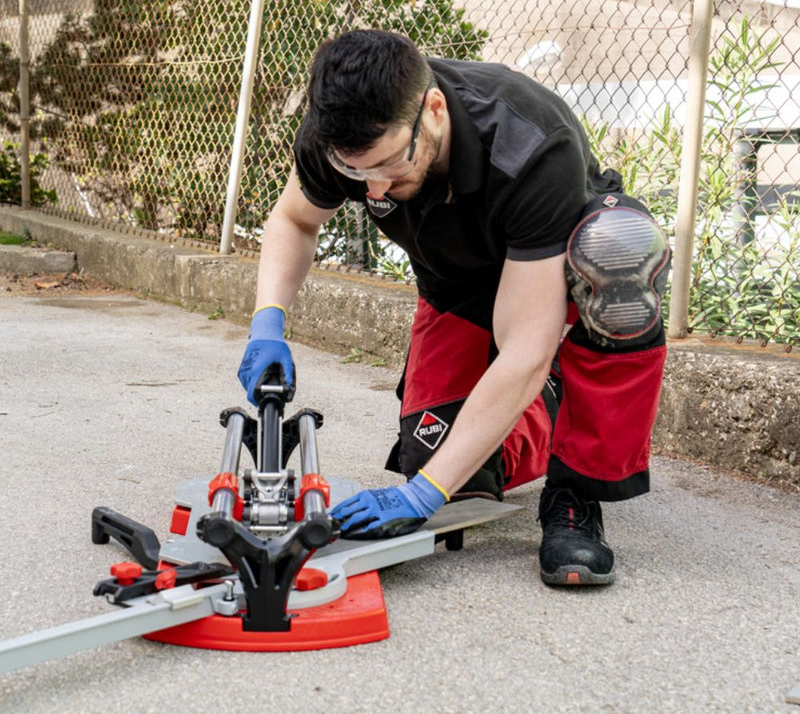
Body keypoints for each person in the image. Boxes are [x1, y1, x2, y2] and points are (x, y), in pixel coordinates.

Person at [238, 29, 670, 587]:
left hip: (562, 273)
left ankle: (576, 490)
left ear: (434, 111)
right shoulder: (340, 134)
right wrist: (267, 322)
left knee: (618, 254)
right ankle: (544, 409)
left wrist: (420, 495)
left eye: (389, 166)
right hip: (457, 281)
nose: (374, 191)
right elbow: (295, 220)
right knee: (452, 475)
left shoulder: (530, 143)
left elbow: (524, 348)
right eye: (357, 173)